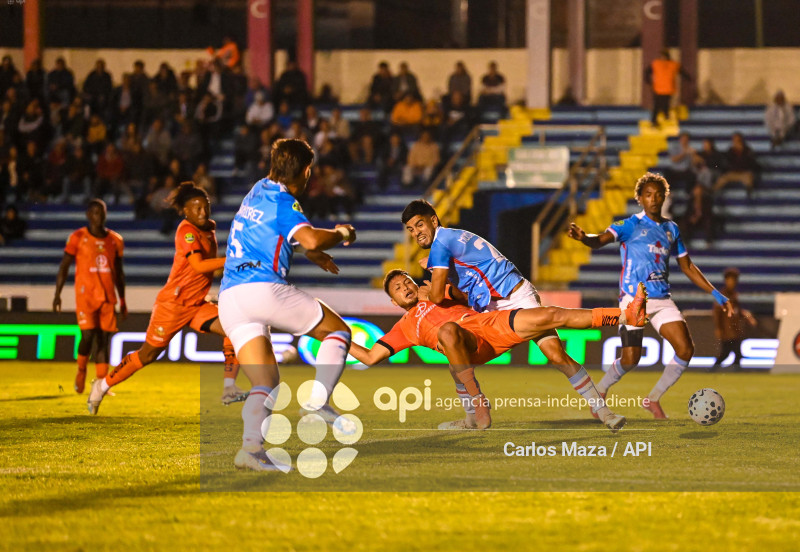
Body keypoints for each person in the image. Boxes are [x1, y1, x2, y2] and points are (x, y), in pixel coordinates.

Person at [349, 270, 645, 431]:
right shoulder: (403, 327)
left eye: (407, 282)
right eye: (398, 289)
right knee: (448, 334)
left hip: (490, 325)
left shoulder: (437, 294)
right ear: (394, 302)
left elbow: (469, 294)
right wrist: (337, 337)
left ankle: (626, 316)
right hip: (467, 346)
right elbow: (369, 357)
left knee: (552, 315)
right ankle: (478, 404)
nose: (405, 288)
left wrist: (444, 289)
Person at [402, 199, 613, 423]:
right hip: (494, 305)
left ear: (433, 220)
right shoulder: (452, 237)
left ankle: (603, 411)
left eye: (420, 225)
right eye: (411, 229)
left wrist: (430, 287)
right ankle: (471, 419)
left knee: (555, 354)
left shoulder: (440, 244)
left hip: (514, 297)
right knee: (458, 359)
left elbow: (435, 297)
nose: (416, 233)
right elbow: (466, 292)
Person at [217, 138, 357, 471]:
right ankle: (318, 403)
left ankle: (250, 450)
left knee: (266, 381)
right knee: (338, 331)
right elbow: (307, 236)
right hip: (261, 289)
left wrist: (309, 251)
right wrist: (341, 233)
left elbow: (272, 234)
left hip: (230, 298)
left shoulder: (258, 190)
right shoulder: (284, 202)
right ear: (307, 171)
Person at [568, 172, 733, 419]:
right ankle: (601, 390)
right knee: (631, 358)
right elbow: (600, 240)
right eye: (648, 195)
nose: (653, 199)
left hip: (662, 299)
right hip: (634, 301)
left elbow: (687, 266)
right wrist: (584, 238)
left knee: (686, 349)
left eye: (658, 194)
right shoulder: (629, 225)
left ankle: (652, 399)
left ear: (664, 197)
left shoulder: (671, 229)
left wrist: (715, 292)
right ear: (640, 199)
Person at [87, 183, 245, 414]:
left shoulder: (208, 228)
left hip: (196, 304)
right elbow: (199, 265)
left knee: (236, 327)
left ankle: (229, 388)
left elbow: (212, 269)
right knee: (148, 355)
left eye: (206, 206)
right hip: (173, 305)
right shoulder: (186, 231)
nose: (203, 212)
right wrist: (232, 260)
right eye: (197, 208)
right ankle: (101, 385)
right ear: (185, 211)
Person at [53, 200, 126, 394]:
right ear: (88, 215)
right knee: (87, 336)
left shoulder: (115, 240)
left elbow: (119, 272)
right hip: (86, 296)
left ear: (105, 214)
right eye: (94, 212)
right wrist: (57, 294)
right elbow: (64, 266)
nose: (98, 216)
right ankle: (81, 369)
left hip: (108, 296)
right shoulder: (78, 237)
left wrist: (123, 299)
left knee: (103, 340)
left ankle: (101, 385)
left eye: (100, 212)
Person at [711, 268, 757, 371]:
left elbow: (737, 311)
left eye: (734, 280)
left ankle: (717, 370)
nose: (732, 283)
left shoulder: (734, 295)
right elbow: (717, 313)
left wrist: (746, 316)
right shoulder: (722, 295)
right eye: (730, 280)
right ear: (726, 281)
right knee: (730, 353)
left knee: (730, 354)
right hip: (728, 331)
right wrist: (718, 328)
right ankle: (732, 371)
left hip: (735, 330)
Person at [644, 49, 690, 127]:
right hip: (665, 88)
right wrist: (688, 78)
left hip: (661, 89)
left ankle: (657, 119)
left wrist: (647, 81)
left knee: (660, 104)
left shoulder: (657, 63)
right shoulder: (672, 64)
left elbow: (647, 72)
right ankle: (662, 117)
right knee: (661, 104)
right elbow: (682, 72)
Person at [714, 132, 758, 197]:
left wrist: (742, 151)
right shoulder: (730, 150)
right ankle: (712, 192)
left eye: (738, 140)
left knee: (749, 178)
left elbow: (751, 163)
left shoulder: (748, 150)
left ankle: (749, 195)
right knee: (721, 179)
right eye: (734, 140)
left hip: (744, 173)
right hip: (732, 173)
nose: (736, 142)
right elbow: (726, 162)